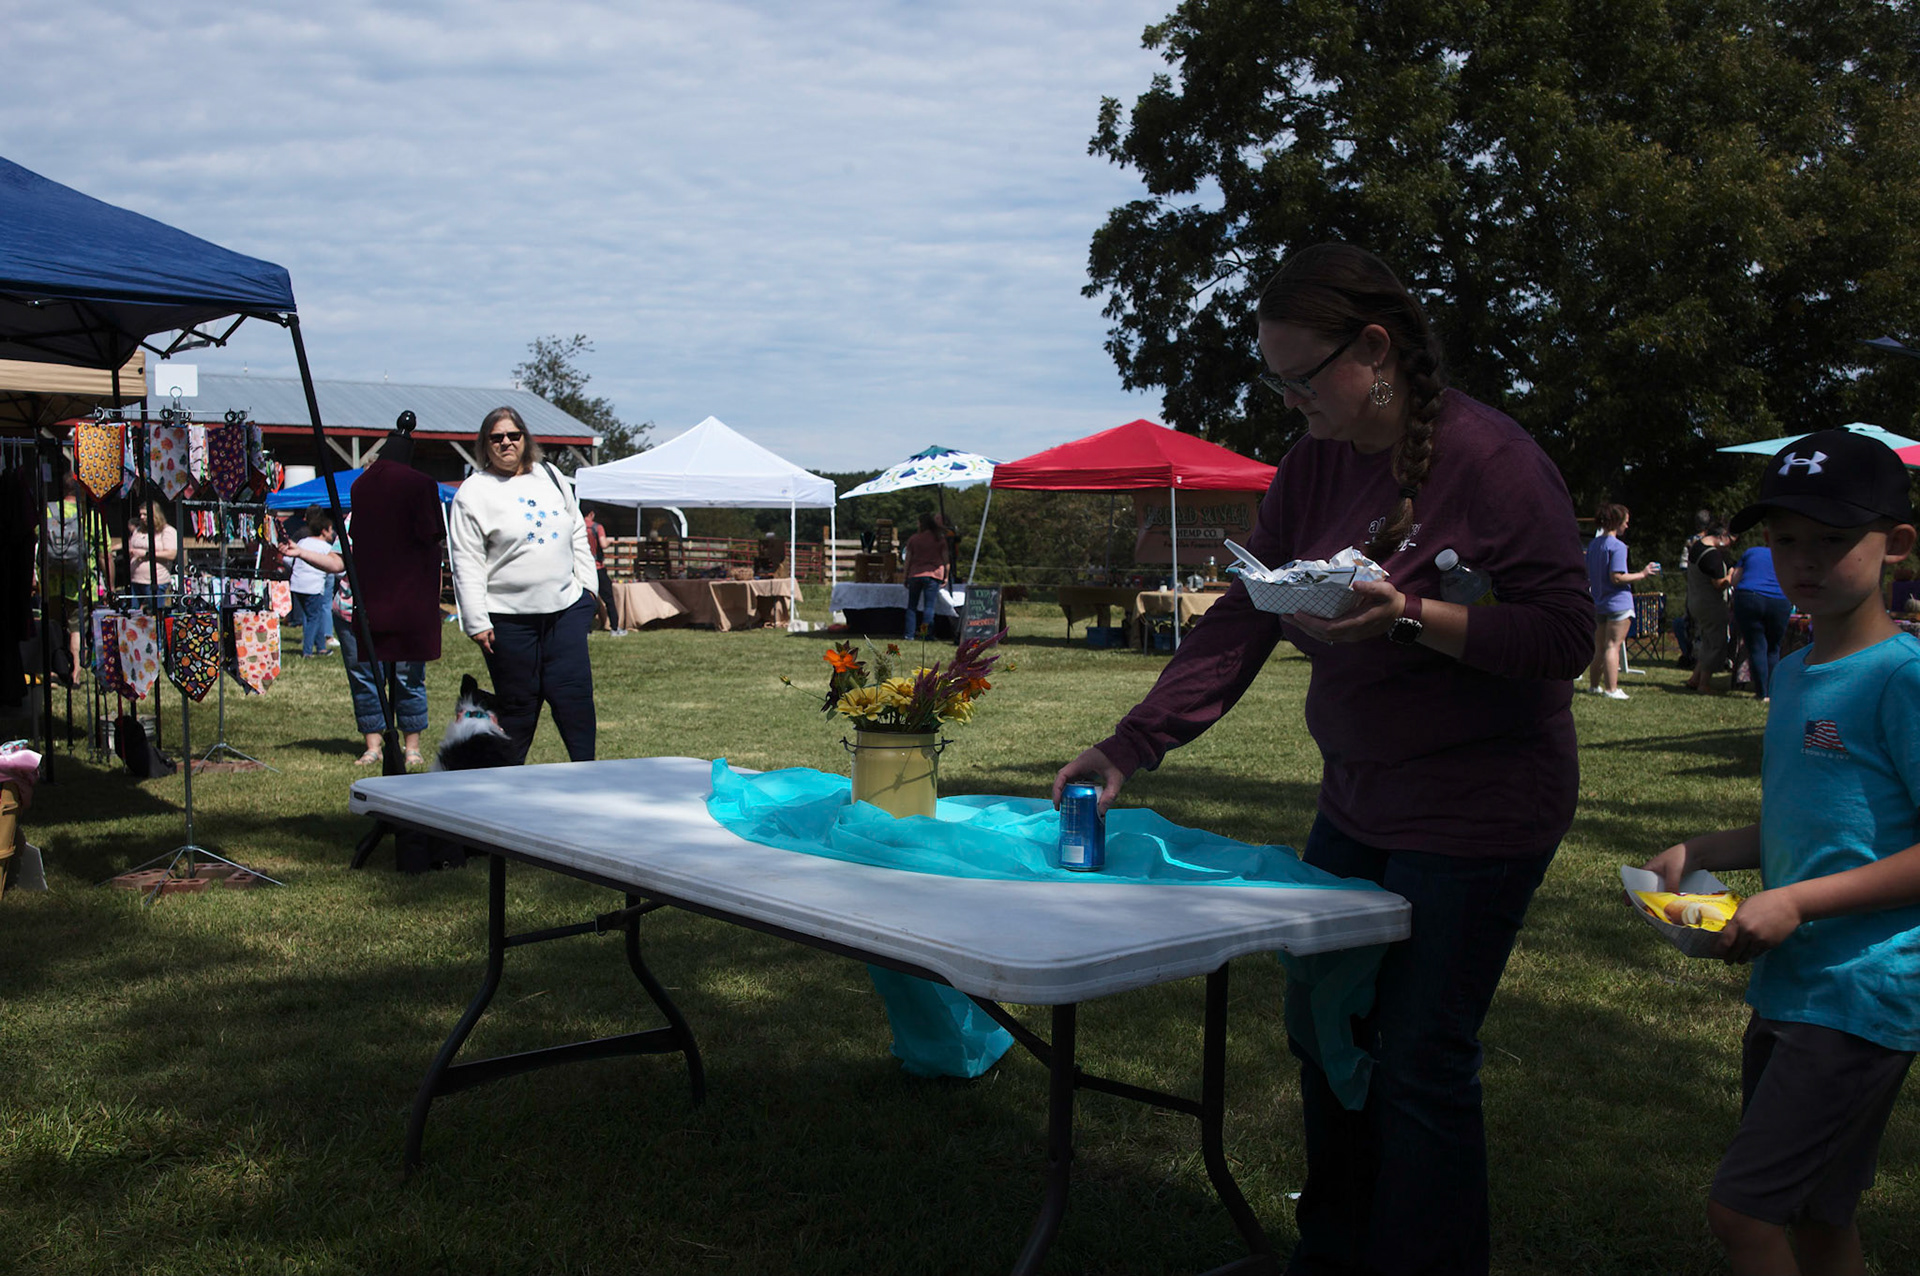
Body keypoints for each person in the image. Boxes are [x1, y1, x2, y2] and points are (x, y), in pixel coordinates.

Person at [1053, 243, 1594, 1276]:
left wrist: (1415, 618)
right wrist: (1131, 744)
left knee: (1420, 1059)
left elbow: (1565, 635)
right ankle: (1334, 1255)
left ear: (1376, 350)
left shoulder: (1494, 461)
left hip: (1481, 807)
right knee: (1329, 1030)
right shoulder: (1311, 468)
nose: (1288, 399)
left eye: (1301, 377)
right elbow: (1240, 623)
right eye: (1275, 379)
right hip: (1360, 799)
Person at [1643, 428, 1920, 1276]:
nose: (1804, 559)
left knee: (1744, 1214)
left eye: (1833, 539)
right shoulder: (1796, 671)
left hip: (1862, 992)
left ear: (1898, 545)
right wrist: (1700, 846)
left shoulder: (1902, 676)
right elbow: (1817, 824)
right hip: (1792, 986)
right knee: (1815, 1215)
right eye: (1785, 539)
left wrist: (1797, 902)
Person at [448, 406, 598, 764]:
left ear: (524, 439)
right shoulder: (474, 492)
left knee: (574, 698)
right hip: (508, 620)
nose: (505, 443)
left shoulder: (551, 476)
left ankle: (589, 776)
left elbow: (577, 529)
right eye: (496, 437)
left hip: (565, 612)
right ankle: (508, 785)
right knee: (519, 706)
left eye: (513, 435)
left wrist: (589, 590)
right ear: (485, 444)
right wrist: (476, 620)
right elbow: (465, 559)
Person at [279, 531, 428, 767]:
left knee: (407, 678)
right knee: (365, 679)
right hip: (354, 615)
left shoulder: (413, 517)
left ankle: (412, 748)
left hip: (404, 614)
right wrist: (301, 552)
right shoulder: (355, 520)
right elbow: (338, 561)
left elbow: (429, 562)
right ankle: (373, 747)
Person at [1584, 502, 1659, 699]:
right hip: (1617, 602)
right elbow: (1617, 577)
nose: (1627, 526)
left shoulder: (1593, 545)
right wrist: (1643, 574)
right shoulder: (1618, 546)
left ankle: (1594, 686)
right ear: (1617, 522)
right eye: (1626, 522)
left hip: (1599, 601)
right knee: (1613, 645)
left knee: (1600, 647)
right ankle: (1611, 689)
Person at [1731, 528, 1791, 702]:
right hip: (1779, 600)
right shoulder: (1786, 556)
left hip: (1749, 597)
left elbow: (1735, 579)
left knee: (1757, 646)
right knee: (1773, 648)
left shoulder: (1751, 552)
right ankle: (1772, 692)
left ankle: (1761, 693)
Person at [1684, 523, 1735, 693]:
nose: (1729, 546)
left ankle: (1695, 678)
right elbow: (1719, 584)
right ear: (1722, 537)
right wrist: (1731, 575)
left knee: (1707, 642)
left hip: (1695, 600)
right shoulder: (1711, 556)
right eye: (1730, 541)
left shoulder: (1697, 547)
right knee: (1716, 644)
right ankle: (1704, 684)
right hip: (1710, 604)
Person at [287, 506, 337, 657]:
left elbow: (288, 560)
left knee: (312, 615)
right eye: (330, 530)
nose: (332, 533)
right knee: (314, 618)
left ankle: (321, 647)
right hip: (313, 586)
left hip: (297, 584)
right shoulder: (326, 547)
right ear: (323, 531)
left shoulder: (302, 542)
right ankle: (307, 650)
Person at [901, 512, 948, 640]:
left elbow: (908, 560)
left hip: (915, 574)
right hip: (933, 574)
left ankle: (909, 634)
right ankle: (925, 634)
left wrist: (905, 576)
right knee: (929, 606)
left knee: (912, 606)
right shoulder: (939, 538)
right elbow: (945, 559)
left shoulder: (914, 539)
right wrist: (946, 576)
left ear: (921, 524)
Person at [125, 499, 177, 609]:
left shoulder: (167, 531)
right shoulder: (138, 530)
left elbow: (171, 554)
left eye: (145, 514)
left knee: (155, 612)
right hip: (135, 580)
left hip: (155, 582)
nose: (142, 517)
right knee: (133, 614)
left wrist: (147, 553)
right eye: (141, 514)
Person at [583, 508, 626, 634]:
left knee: (586, 598)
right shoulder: (597, 527)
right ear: (591, 513)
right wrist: (610, 541)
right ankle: (615, 628)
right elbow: (603, 544)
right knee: (608, 599)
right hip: (597, 568)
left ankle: (587, 628)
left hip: (583, 568)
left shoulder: (577, 525)